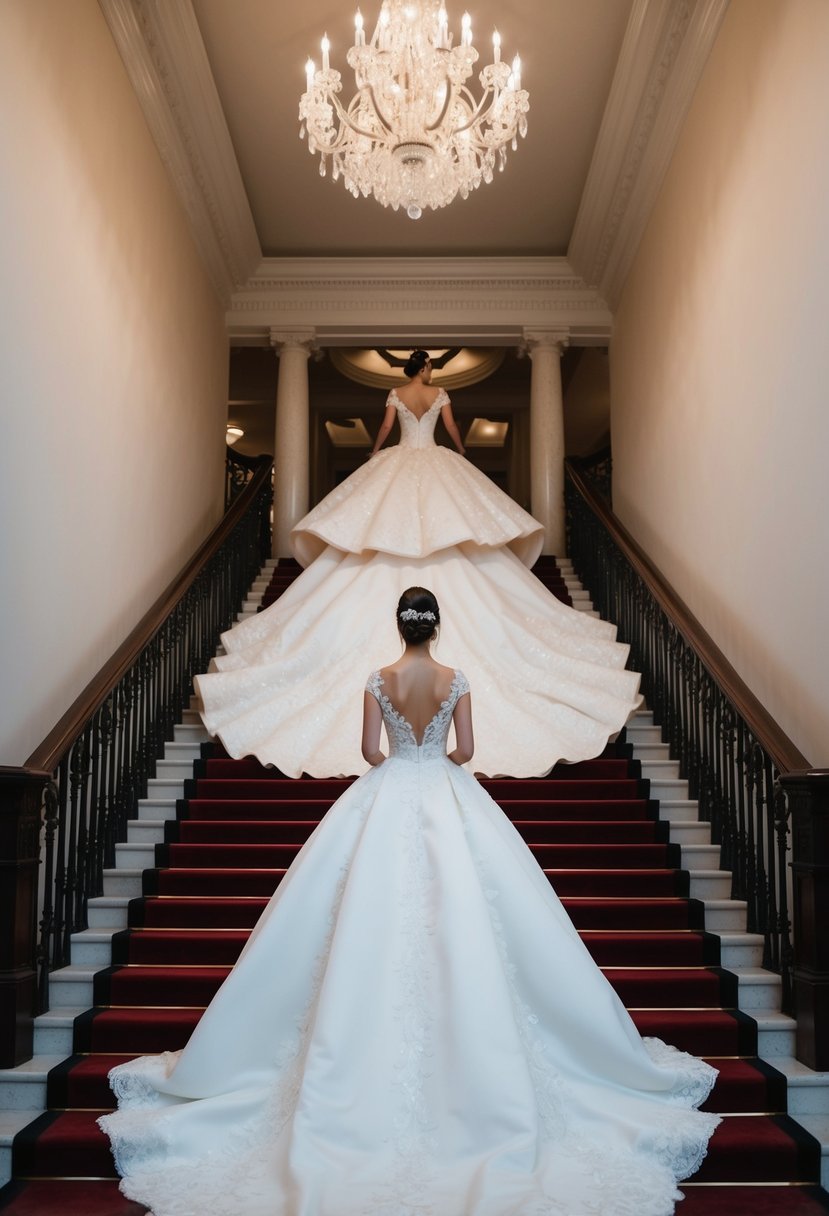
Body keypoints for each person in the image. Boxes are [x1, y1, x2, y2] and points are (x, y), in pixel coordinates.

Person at [99, 588, 719, 1216]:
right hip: (445, 790)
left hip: (391, 788)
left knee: (360, 919)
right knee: (473, 915)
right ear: (437, 627)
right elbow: (468, 751)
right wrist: (437, 759)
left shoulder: (379, 678)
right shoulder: (456, 679)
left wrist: (402, 756)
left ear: (398, 625)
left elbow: (371, 752)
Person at [195, 350, 642, 779]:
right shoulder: (440, 394)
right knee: (450, 532)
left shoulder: (394, 394)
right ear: (426, 368)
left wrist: (375, 453)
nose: (430, 372)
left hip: (401, 459)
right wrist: (462, 452)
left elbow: (387, 429)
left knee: (381, 530)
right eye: (430, 366)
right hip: (432, 458)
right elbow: (449, 429)